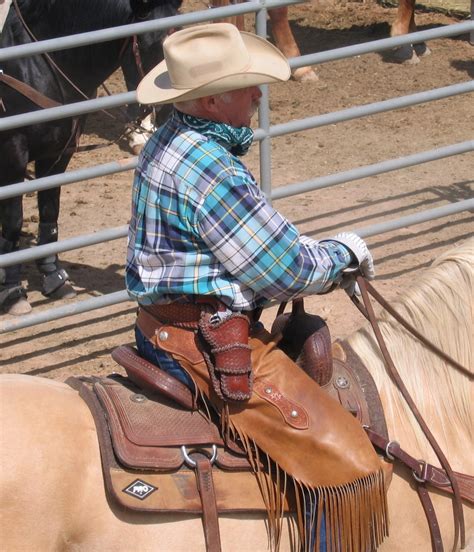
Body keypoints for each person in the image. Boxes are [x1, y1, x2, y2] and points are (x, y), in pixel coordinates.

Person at [126, 23, 388, 551]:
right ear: (215, 97)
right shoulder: (213, 169)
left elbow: (253, 245)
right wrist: (346, 254)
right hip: (206, 341)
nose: (258, 93)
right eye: (247, 84)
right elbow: (283, 268)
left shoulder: (170, 138)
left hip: (163, 326)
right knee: (352, 464)